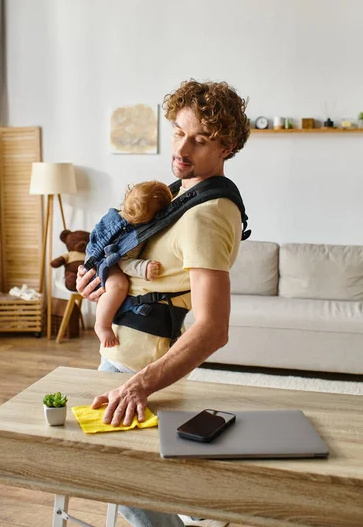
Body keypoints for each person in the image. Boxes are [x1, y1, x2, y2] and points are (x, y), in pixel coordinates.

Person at [76, 78, 250, 527]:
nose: (181, 147)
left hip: (138, 370)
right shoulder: (179, 195)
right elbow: (147, 266)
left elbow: (213, 327)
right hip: (123, 357)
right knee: (134, 482)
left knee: (121, 482)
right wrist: (98, 277)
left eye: (201, 139)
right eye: (178, 130)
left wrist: (140, 385)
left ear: (226, 146)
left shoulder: (207, 215)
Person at [88, 180, 172, 348]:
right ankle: (102, 325)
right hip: (104, 262)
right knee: (118, 285)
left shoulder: (126, 217)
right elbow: (123, 262)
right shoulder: (130, 234)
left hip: (111, 257)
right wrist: (143, 268)